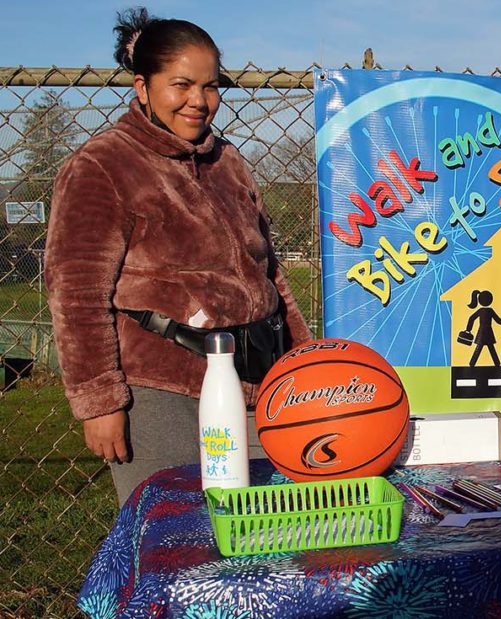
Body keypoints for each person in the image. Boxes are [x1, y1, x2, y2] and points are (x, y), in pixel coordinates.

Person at [45, 8, 312, 504]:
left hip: (257, 380)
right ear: (142, 87)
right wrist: (99, 402)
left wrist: (303, 364)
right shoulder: (103, 165)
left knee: (262, 530)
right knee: (171, 534)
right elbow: (76, 295)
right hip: (163, 390)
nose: (199, 101)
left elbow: (270, 275)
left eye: (210, 87)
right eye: (181, 85)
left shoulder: (226, 161)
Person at [465, 290, 501, 366]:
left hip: (481, 332)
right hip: (488, 332)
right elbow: (498, 320)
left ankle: (472, 363)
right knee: (490, 348)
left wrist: (468, 329)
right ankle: (497, 363)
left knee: (479, 348)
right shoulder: (490, 310)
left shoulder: (480, 310)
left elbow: (471, 318)